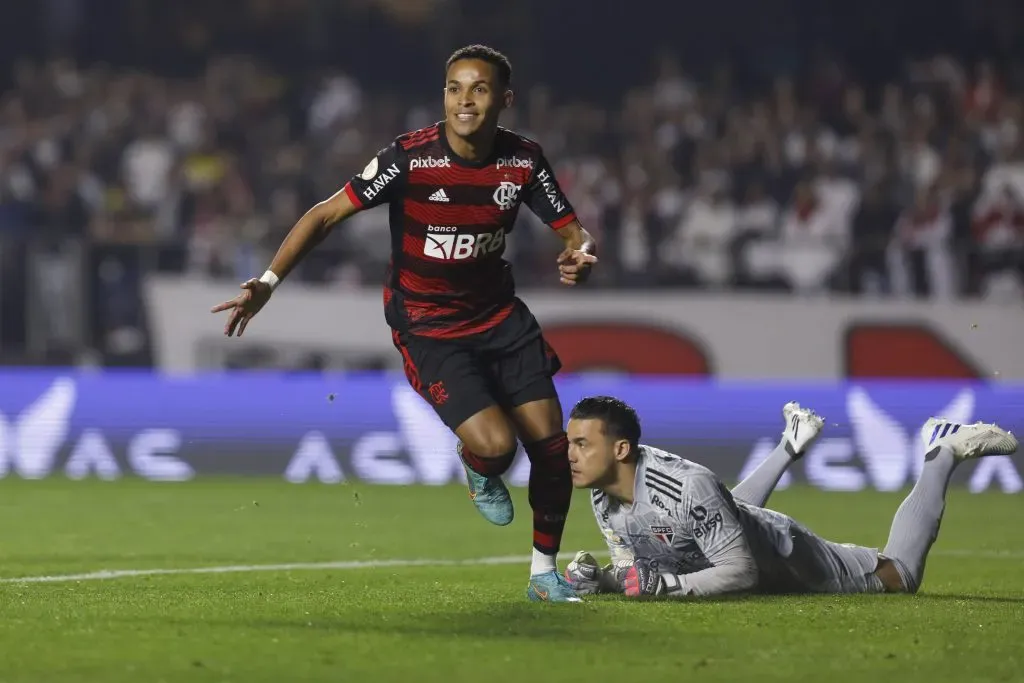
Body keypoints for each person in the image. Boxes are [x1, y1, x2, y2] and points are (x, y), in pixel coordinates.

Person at [210, 45, 597, 602]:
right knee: (497, 448)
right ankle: (478, 466)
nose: (464, 101)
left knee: (552, 448)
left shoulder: (523, 160)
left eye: (479, 89)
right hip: (429, 325)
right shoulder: (410, 158)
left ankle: (543, 574)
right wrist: (266, 283)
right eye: (454, 88)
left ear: (504, 99)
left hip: (500, 318)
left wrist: (579, 256)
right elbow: (325, 214)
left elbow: (573, 233)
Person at [562, 397, 1018, 598]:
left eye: (582, 444)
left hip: (783, 553)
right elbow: (635, 566)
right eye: (570, 443)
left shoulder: (684, 484)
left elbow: (740, 572)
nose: (570, 454)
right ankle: (792, 443)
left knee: (900, 574)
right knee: (713, 517)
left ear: (621, 449)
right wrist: (600, 580)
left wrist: (671, 587)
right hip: (721, 533)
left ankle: (942, 449)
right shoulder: (605, 495)